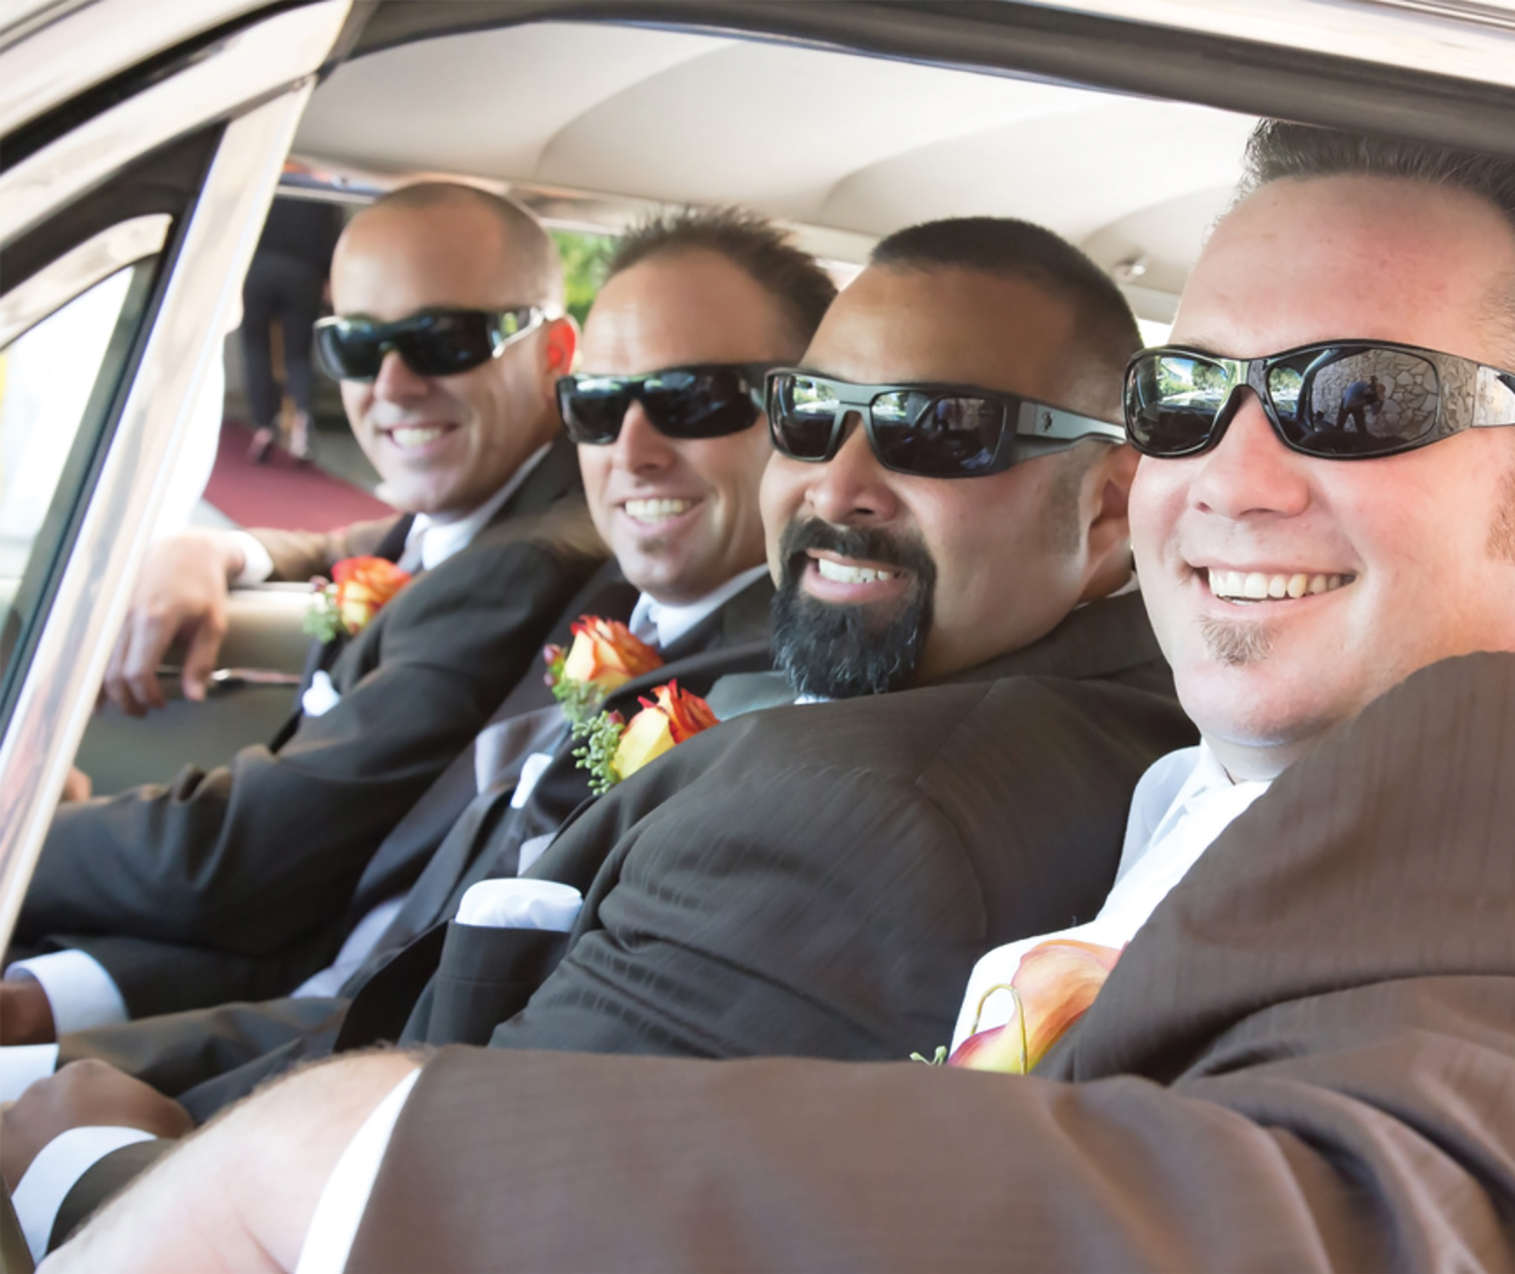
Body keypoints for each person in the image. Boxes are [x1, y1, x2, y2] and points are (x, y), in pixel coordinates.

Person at [34, 127, 1515, 1272]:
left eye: (1356, 399)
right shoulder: (1266, 769)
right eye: (1193, 393)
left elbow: (1413, 1222)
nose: (1229, 478)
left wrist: (330, 1169)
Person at [3, 216, 1194, 1252]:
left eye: (939, 429)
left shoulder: (863, 814)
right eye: (811, 412)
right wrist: (230, 545)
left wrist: (77, 1159)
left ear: (1107, 504)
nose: (838, 484)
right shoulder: (985, 694)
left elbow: (452, 1215)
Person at [0, 183, 606, 1047]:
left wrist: (18, 830)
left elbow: (233, 862)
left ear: (553, 351)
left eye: (443, 340)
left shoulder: (523, 562)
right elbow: (377, 543)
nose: (392, 384)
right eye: (356, 344)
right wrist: (230, 550)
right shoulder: (498, 507)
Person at [240, 196, 345, 463]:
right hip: (303, 275)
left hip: (258, 270)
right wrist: (328, 278)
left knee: (256, 350)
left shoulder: (267, 187)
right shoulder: (320, 195)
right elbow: (332, 239)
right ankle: (301, 424)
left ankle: (263, 428)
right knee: (299, 355)